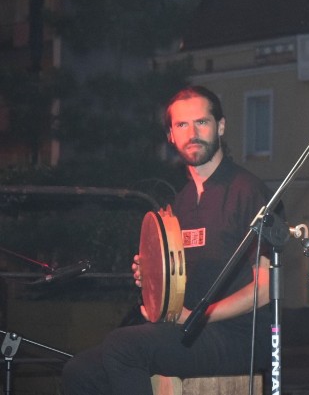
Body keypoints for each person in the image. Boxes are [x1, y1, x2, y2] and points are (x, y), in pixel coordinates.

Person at [62, 86, 272, 395]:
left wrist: (202, 314)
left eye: (202, 122)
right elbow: (176, 280)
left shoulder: (248, 191)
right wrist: (152, 280)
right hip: (186, 330)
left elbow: (266, 288)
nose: (193, 133)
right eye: (182, 125)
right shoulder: (180, 205)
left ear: (221, 127)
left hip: (238, 336)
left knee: (124, 347)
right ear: (171, 136)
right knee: (79, 372)